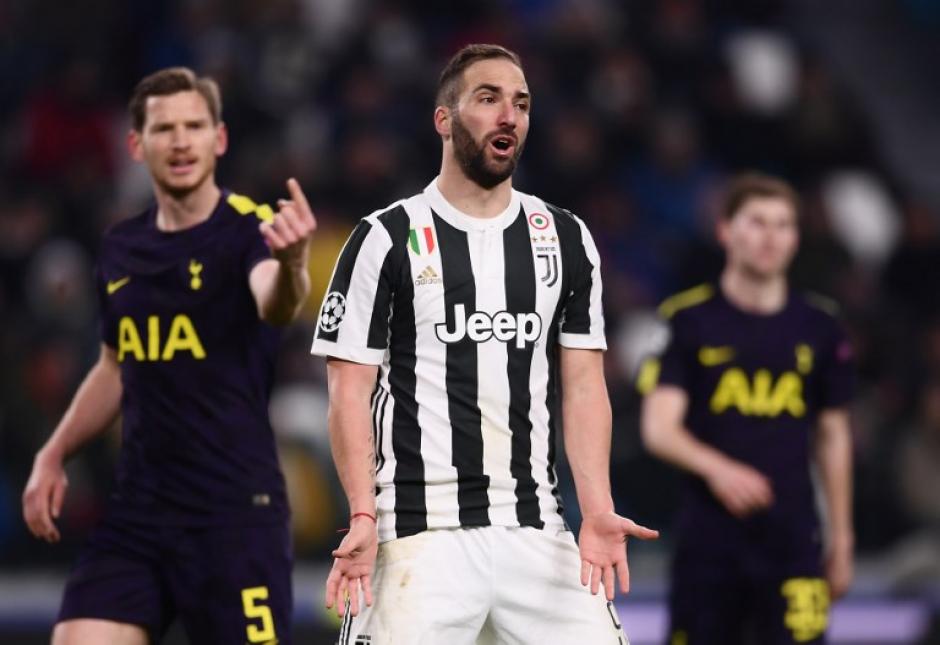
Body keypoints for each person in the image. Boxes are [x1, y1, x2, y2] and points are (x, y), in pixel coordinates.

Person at [310, 43, 658, 645]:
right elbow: (348, 392)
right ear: (444, 119)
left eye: (521, 104)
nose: (509, 116)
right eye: (488, 99)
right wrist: (362, 513)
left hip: (536, 531)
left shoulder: (566, 238)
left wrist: (597, 508)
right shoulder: (386, 238)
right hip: (418, 535)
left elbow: (582, 386)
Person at [21, 67, 316, 645]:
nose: (180, 141)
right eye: (164, 129)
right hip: (140, 514)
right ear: (136, 144)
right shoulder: (121, 245)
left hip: (234, 515)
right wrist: (53, 453)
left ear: (219, 139)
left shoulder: (251, 233)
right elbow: (114, 366)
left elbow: (276, 307)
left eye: (194, 126)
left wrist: (292, 265)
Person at [639, 172, 855, 645]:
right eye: (757, 222)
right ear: (725, 230)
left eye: (784, 224)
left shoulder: (821, 327)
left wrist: (842, 537)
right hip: (709, 544)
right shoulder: (688, 320)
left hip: (795, 539)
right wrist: (719, 469)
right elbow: (658, 427)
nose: (771, 237)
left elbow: (833, 434)